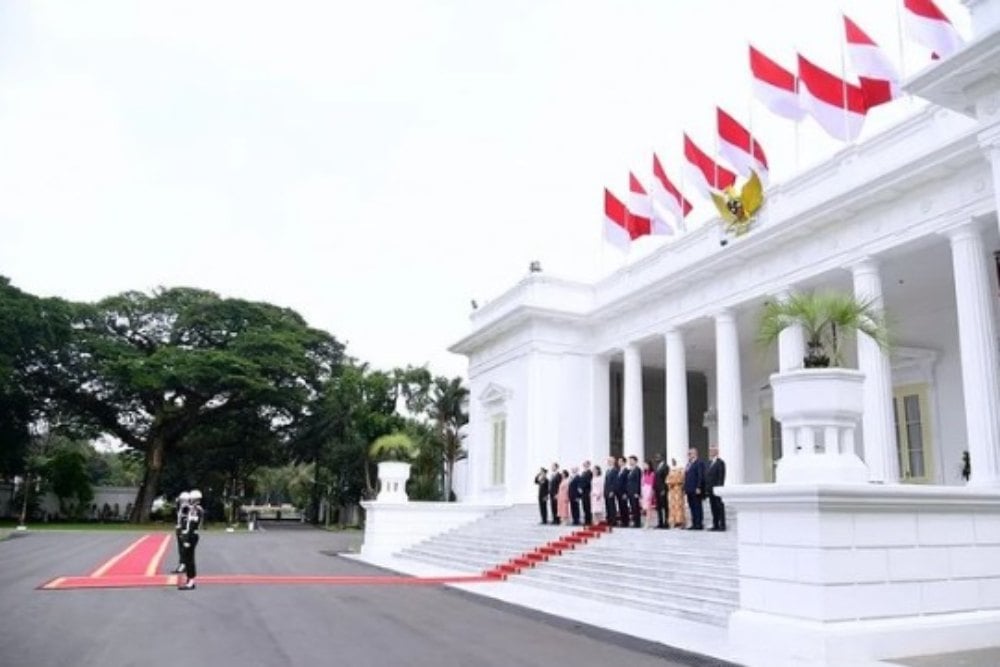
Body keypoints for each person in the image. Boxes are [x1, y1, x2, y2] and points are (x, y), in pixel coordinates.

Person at [177, 489, 203, 590]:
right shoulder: (194, 509)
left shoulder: (196, 510)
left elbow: (191, 525)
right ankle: (190, 579)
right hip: (190, 535)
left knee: (189, 559)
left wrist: (187, 539)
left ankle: (191, 581)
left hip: (191, 536)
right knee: (188, 558)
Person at [684, 447, 706, 530]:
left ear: (695, 454)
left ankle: (699, 524)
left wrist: (699, 487)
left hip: (695, 489)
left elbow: (700, 476)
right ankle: (694, 523)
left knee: (697, 506)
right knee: (692, 506)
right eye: (688, 454)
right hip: (689, 489)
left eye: (690, 453)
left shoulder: (699, 463)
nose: (688, 455)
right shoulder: (688, 464)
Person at [706, 445, 727, 531]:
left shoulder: (720, 462)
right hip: (710, 489)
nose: (710, 452)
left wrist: (719, 487)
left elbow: (721, 476)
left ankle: (722, 525)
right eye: (710, 450)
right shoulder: (709, 463)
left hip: (717, 489)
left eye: (712, 451)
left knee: (719, 507)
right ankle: (715, 524)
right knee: (713, 507)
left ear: (717, 452)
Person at [172, 491, 191, 574]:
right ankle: (183, 564)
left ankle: (184, 564)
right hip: (180, 528)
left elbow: (186, 519)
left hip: (185, 529)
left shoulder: (188, 508)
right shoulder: (180, 507)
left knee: (184, 548)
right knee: (180, 548)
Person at [667, 458, 687, 528]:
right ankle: (674, 521)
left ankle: (680, 521)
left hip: (678, 489)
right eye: (672, 461)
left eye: (674, 460)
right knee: (672, 506)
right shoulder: (671, 470)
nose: (673, 462)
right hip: (672, 490)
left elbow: (681, 478)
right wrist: (669, 483)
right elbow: (667, 479)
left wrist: (673, 481)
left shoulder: (680, 469)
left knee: (679, 506)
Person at [653, 453, 669, 529]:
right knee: (658, 507)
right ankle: (660, 522)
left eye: (658, 457)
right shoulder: (657, 467)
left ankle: (666, 522)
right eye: (656, 457)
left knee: (665, 506)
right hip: (657, 489)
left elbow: (666, 479)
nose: (656, 459)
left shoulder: (665, 467)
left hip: (663, 490)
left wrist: (664, 489)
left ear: (662, 458)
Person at [626, 456, 642, 528]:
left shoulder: (637, 470)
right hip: (630, 491)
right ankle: (634, 521)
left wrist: (637, 492)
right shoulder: (630, 470)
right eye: (629, 460)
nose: (630, 462)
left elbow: (638, 482)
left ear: (635, 461)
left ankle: (637, 522)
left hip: (634, 492)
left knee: (636, 507)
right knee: (632, 507)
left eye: (631, 460)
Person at [603, 457, 618, 530]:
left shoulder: (615, 470)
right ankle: (609, 519)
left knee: (612, 506)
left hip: (611, 491)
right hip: (606, 491)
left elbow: (614, 482)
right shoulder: (608, 470)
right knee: (607, 506)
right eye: (608, 461)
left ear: (613, 462)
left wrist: (612, 491)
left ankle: (613, 520)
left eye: (610, 461)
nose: (608, 462)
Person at [640, 460, 656, 529]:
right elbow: (642, 483)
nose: (644, 466)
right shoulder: (644, 473)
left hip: (649, 490)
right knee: (645, 508)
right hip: (644, 490)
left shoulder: (652, 473)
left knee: (649, 508)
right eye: (644, 465)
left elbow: (652, 484)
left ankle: (647, 523)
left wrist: (651, 493)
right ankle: (647, 522)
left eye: (646, 465)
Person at [615, 456, 631, 527]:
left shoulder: (627, 471)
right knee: (620, 506)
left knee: (624, 506)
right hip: (618, 492)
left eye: (620, 461)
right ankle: (622, 520)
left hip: (624, 492)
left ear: (624, 462)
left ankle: (626, 521)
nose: (619, 463)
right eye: (618, 461)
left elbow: (627, 483)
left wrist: (625, 492)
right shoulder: (618, 471)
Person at [579, 460, 593, 526]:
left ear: (588, 465)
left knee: (588, 507)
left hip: (587, 491)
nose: (584, 465)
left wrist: (582, 488)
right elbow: (581, 481)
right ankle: (586, 520)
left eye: (585, 464)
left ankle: (588, 521)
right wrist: (579, 488)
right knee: (584, 506)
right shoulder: (583, 473)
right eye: (583, 464)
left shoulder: (590, 472)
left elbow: (588, 482)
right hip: (582, 492)